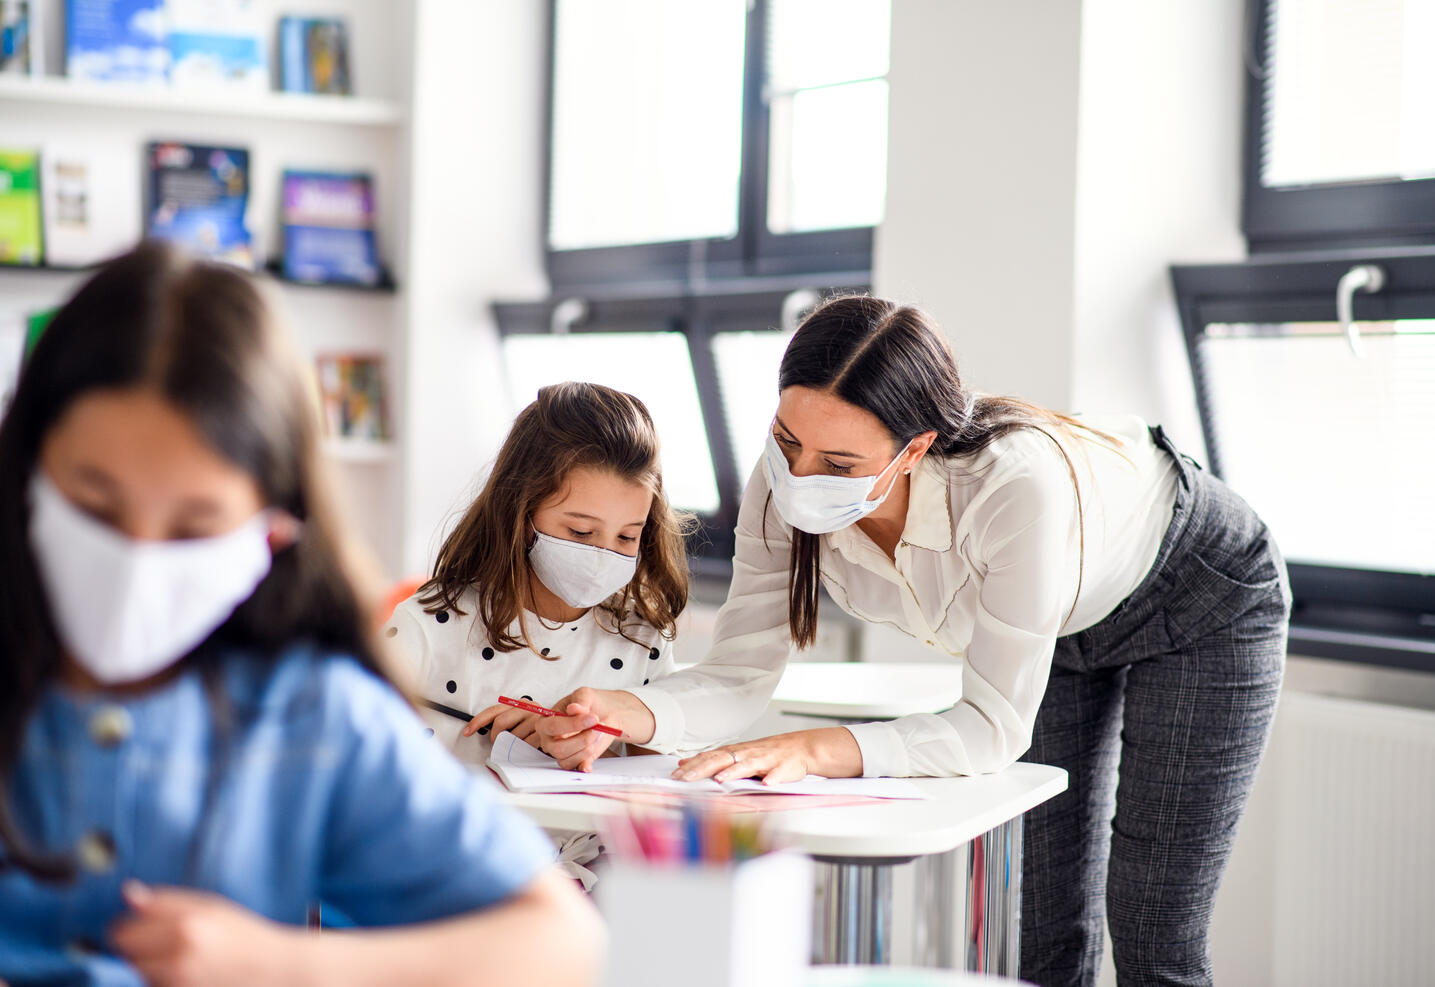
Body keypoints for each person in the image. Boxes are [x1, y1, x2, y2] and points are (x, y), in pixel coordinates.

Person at [535, 296, 1290, 985]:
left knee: (1155, 926)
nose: (799, 476)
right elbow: (738, 671)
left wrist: (816, 748)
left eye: (837, 464)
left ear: (915, 448)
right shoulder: (779, 485)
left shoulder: (1015, 488)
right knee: (1045, 928)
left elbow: (991, 727)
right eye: (787, 439)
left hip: (1201, 594)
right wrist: (619, 710)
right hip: (1061, 628)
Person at [0, 243, 604, 987]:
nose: (136, 559)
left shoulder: (310, 717)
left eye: (194, 527)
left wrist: (281, 963)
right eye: (94, 505)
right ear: (26, 469)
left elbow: (557, 941)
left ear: (273, 531)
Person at [382, 382, 690, 886]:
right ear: (521, 513)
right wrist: (498, 753)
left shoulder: (641, 636)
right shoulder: (429, 624)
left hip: (591, 887)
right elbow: (362, 775)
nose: (604, 555)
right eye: (580, 533)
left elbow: (652, 783)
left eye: (627, 537)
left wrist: (591, 745)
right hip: (447, 881)